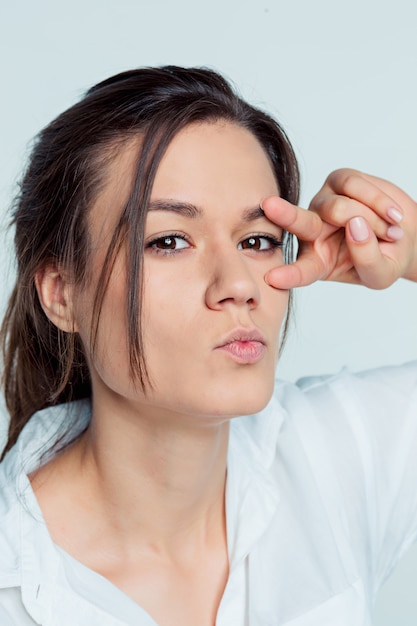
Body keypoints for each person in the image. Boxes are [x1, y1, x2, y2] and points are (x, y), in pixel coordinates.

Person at [0, 66, 415, 626]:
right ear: (61, 293)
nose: (239, 284)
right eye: (169, 241)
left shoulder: (334, 455)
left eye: (258, 241)